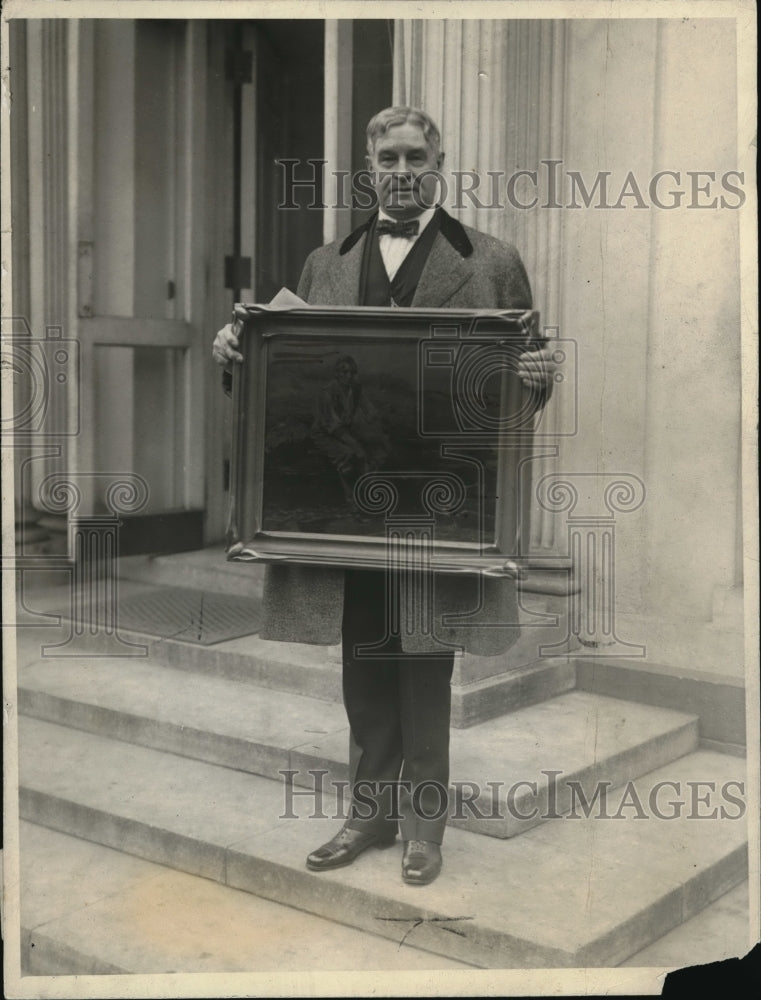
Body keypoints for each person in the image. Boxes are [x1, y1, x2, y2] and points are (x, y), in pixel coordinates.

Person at [213, 106, 555, 886]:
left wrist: (536, 381)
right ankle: (368, 814)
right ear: (367, 169)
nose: (400, 172)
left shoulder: (492, 262)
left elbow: (515, 388)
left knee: (424, 657)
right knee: (363, 655)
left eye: (414, 157)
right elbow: (290, 385)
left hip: (436, 506)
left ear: (439, 164)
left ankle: (424, 827)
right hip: (346, 506)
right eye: (386, 159)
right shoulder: (323, 264)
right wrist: (238, 354)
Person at [311, 354, 389, 506]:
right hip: (325, 433)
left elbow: (370, 412)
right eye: (344, 372)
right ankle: (352, 503)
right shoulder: (327, 392)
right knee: (350, 456)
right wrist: (355, 444)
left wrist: (381, 418)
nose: (348, 376)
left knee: (375, 452)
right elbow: (331, 425)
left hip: (344, 432)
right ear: (336, 373)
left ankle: (369, 498)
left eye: (352, 372)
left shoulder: (356, 389)